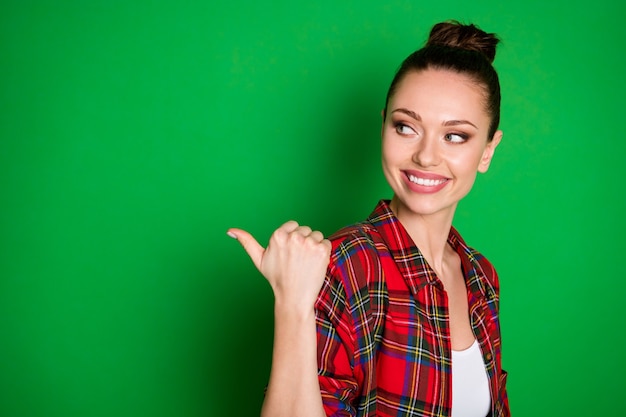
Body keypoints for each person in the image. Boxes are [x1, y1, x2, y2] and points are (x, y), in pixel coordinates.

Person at [228, 20, 510, 417]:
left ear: (487, 150)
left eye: (455, 136)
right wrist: (293, 304)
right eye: (406, 127)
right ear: (383, 127)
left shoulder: (481, 277)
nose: (426, 156)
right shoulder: (344, 266)